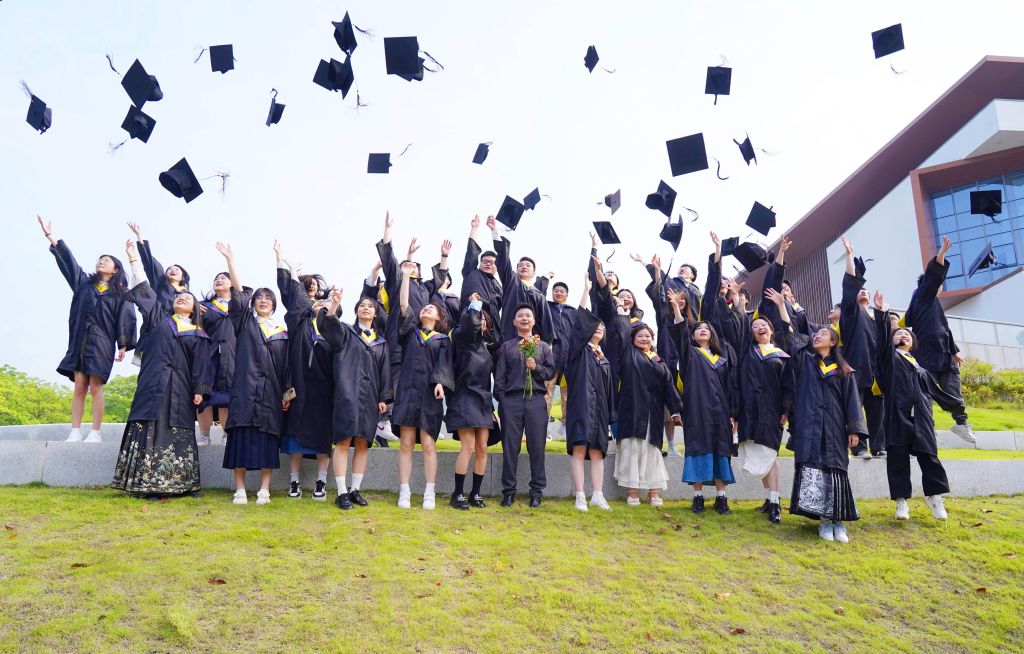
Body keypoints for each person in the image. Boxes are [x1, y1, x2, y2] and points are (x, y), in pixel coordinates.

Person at [769, 288, 866, 543]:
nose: (817, 336)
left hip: (835, 427)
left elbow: (852, 401)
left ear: (833, 342)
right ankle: (824, 520)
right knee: (815, 469)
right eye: (816, 333)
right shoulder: (805, 361)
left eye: (823, 334)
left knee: (835, 469)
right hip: (810, 426)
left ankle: (838, 521)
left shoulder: (844, 369)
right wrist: (781, 306)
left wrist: (855, 430)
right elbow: (791, 335)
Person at [112, 242, 209, 497]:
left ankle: (184, 484)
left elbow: (201, 364)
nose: (181, 298)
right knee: (150, 424)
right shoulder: (158, 317)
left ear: (195, 308)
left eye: (187, 298)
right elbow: (144, 290)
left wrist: (200, 390)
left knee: (180, 427)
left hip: (181, 386)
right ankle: (147, 484)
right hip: (153, 381)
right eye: (178, 297)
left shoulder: (198, 333)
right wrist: (133, 259)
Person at [38, 215, 136, 443]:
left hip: (102, 343)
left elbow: (126, 318)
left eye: (107, 260)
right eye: (99, 259)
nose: (101, 262)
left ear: (115, 269)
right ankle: (75, 431)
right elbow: (69, 262)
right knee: (79, 386)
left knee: (95, 386)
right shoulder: (83, 283)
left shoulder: (121, 293)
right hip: (80, 340)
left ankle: (95, 432)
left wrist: (123, 344)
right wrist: (51, 236)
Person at [595, 256, 681, 507]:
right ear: (633, 339)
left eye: (647, 336)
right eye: (640, 336)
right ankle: (632, 492)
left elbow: (669, 386)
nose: (644, 338)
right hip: (631, 408)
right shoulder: (627, 353)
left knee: (653, 450)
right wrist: (622, 314)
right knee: (632, 450)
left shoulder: (658, 359)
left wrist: (676, 410)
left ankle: (654, 493)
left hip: (653, 412)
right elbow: (621, 336)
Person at [217, 242, 293, 506]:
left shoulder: (281, 332)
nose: (263, 301)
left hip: (270, 394)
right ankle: (239, 489)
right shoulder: (245, 323)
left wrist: (286, 394)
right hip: (244, 391)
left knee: (267, 441)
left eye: (268, 298)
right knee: (240, 438)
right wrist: (230, 261)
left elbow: (286, 366)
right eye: (259, 298)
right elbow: (238, 294)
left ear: (273, 305)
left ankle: (264, 489)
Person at [874, 291, 961, 522]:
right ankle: (901, 502)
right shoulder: (889, 359)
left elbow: (937, 392)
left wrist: (958, 409)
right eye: (898, 334)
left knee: (929, 457)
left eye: (907, 334)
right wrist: (881, 313)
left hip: (922, 417)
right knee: (898, 459)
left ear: (913, 342)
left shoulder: (920, 368)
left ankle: (935, 498)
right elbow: (882, 343)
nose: (903, 335)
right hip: (897, 415)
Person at [318, 289, 392, 510]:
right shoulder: (345, 333)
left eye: (370, 306)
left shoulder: (381, 342)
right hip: (347, 394)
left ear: (376, 313)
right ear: (356, 311)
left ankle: (355, 490)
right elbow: (328, 326)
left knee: (363, 443)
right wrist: (334, 304)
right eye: (362, 305)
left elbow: (385, 372)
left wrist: (383, 398)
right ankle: (341, 492)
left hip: (370, 397)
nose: (366, 308)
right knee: (343, 441)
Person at [668, 286, 737, 516]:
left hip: (720, 412)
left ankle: (721, 497)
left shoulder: (722, 360)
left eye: (706, 328)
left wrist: (732, 414)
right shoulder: (690, 354)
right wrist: (676, 309)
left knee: (721, 450)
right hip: (697, 410)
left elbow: (729, 389)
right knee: (698, 449)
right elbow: (679, 333)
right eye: (698, 329)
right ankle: (697, 497)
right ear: (693, 336)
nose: (703, 330)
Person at [274, 242, 334, 501]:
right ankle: (294, 482)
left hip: (323, 387)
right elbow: (294, 299)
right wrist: (284, 264)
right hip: (298, 383)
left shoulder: (332, 325)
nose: (315, 299)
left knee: (323, 435)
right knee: (294, 435)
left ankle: (321, 482)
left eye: (318, 294)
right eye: (308, 288)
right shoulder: (299, 320)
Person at [393, 261, 455, 510]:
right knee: (406, 443)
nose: (427, 308)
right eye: (425, 307)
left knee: (429, 444)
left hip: (429, 395)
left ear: (439, 317)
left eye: (432, 308)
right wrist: (406, 278)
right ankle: (404, 491)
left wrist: (440, 383)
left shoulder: (442, 340)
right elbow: (403, 306)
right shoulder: (410, 333)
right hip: (408, 392)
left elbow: (445, 364)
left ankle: (430, 491)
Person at [903, 236, 976, 443]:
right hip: (926, 355)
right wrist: (941, 253)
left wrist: (954, 351)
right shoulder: (923, 296)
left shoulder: (933, 305)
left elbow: (944, 329)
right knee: (925, 393)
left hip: (944, 356)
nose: (940, 286)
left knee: (953, 389)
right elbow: (933, 276)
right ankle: (925, 428)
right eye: (938, 283)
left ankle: (961, 423)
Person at [733, 288, 791, 524]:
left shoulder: (781, 354)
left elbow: (788, 384)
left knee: (770, 454)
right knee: (758, 453)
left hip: (771, 411)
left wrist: (786, 409)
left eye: (763, 325)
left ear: (771, 330)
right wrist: (738, 300)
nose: (759, 328)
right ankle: (768, 498)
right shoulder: (747, 352)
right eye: (755, 326)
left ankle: (776, 502)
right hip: (749, 410)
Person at [494, 304, 556, 507]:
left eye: (528, 315)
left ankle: (536, 492)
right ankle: (508, 491)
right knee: (510, 448)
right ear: (514, 322)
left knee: (537, 447)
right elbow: (500, 377)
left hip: (536, 401)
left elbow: (550, 372)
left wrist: (536, 367)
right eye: (520, 315)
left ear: (533, 321)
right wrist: (502, 402)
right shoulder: (507, 346)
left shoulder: (543, 346)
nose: (524, 318)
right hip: (511, 401)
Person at [565, 275, 615, 511]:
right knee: (580, 448)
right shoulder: (579, 349)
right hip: (582, 406)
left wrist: (610, 415)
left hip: (600, 411)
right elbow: (580, 320)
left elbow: (609, 389)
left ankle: (597, 494)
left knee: (597, 452)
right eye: (595, 326)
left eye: (602, 327)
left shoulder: (604, 357)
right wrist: (586, 290)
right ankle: (580, 496)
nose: (599, 328)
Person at [445, 293, 499, 509]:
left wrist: (492, 409)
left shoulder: (487, 347)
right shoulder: (462, 338)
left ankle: (475, 493)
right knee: (467, 447)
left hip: (483, 401)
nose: (480, 321)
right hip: (464, 397)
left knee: (482, 448)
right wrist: (474, 304)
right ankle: (457, 494)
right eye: (477, 317)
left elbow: (488, 381)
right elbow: (469, 325)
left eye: (483, 319)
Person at [839, 237, 886, 458]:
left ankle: (879, 447)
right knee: (855, 410)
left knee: (877, 411)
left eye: (866, 290)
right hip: (856, 368)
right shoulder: (851, 312)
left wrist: (881, 310)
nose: (863, 292)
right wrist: (849, 255)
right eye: (860, 290)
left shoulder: (874, 316)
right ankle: (859, 448)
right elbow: (850, 286)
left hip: (874, 371)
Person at [126, 221, 190, 365]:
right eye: (170, 269)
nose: (172, 270)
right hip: (156, 325)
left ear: (183, 277)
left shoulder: (188, 296)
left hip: (178, 333)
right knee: (151, 367)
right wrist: (140, 237)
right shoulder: (160, 283)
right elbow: (149, 262)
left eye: (177, 269)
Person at [493, 215, 554, 344]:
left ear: (534, 273)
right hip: (509, 339)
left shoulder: (538, 294)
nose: (523, 267)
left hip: (533, 345)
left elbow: (545, 321)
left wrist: (546, 346)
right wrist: (495, 231)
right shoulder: (512, 282)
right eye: (520, 265)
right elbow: (504, 259)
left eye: (528, 265)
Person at [196, 270, 237, 445]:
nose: (219, 280)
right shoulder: (203, 306)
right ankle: (204, 435)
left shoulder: (239, 307)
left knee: (226, 397)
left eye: (223, 278)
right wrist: (193, 309)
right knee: (204, 394)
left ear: (232, 284)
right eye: (216, 278)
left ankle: (226, 435)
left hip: (232, 355)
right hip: (208, 355)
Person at [461, 215, 503, 341]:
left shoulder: (499, 287)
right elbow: (471, 251)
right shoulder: (471, 272)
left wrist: (494, 230)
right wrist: (474, 228)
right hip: (470, 319)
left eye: (492, 262)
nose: (488, 264)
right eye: (485, 261)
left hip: (493, 328)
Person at [546, 278, 576, 440]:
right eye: (556, 290)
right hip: (550, 356)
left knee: (567, 394)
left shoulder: (573, 311)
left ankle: (565, 425)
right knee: (546, 392)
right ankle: (544, 426)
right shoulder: (546, 307)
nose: (558, 293)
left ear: (567, 294)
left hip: (568, 357)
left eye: (562, 291)